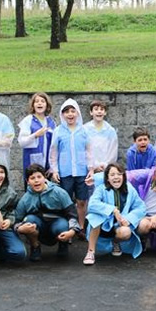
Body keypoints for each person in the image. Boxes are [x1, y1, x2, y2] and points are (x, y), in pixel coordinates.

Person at [15, 164, 81, 261]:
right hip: (38, 227)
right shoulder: (25, 200)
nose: (36, 180)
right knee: (29, 219)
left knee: (62, 225)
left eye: (39, 177)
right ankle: (35, 246)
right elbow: (16, 220)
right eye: (32, 178)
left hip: (57, 224)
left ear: (45, 178)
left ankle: (63, 244)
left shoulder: (59, 193)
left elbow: (72, 214)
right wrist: (20, 228)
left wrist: (72, 231)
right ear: (27, 182)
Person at [84, 163, 146, 264]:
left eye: (119, 174)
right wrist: (113, 210)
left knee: (126, 232)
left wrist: (128, 219)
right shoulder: (101, 188)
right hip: (103, 225)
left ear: (123, 176)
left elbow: (141, 207)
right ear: (107, 178)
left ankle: (115, 242)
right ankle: (90, 251)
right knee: (94, 217)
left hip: (118, 225)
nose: (116, 177)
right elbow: (92, 204)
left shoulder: (129, 189)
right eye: (112, 175)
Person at [50, 98, 92, 231]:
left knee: (82, 200)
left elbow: (89, 151)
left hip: (81, 171)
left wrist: (91, 168)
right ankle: (68, 227)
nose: (70, 114)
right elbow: (54, 152)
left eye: (73, 111)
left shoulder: (84, 131)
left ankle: (80, 226)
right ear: (62, 115)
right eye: (67, 111)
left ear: (77, 113)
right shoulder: (58, 131)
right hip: (65, 172)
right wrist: (55, 170)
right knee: (66, 201)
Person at [17, 92, 56, 181]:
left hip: (47, 167)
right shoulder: (28, 120)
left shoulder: (51, 122)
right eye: (37, 101)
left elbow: (55, 146)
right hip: (32, 166)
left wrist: (52, 166)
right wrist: (35, 135)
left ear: (47, 105)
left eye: (42, 101)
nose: (39, 103)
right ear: (33, 105)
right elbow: (22, 142)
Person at [84, 99, 118, 176]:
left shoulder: (110, 131)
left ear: (105, 112)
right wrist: (93, 166)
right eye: (96, 109)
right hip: (89, 170)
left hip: (106, 170)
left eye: (102, 109)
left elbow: (113, 151)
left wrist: (105, 165)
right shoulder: (85, 130)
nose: (99, 112)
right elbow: (84, 150)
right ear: (91, 112)